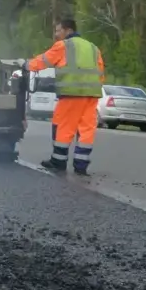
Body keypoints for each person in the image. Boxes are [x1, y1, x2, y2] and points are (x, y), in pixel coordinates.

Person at [24, 18, 104, 175]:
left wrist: (25, 65)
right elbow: (100, 72)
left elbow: (43, 61)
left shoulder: (64, 46)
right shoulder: (93, 48)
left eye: (58, 30)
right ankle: (81, 166)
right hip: (92, 95)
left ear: (68, 31)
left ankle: (58, 161)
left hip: (72, 94)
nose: (56, 34)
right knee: (86, 129)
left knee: (63, 126)